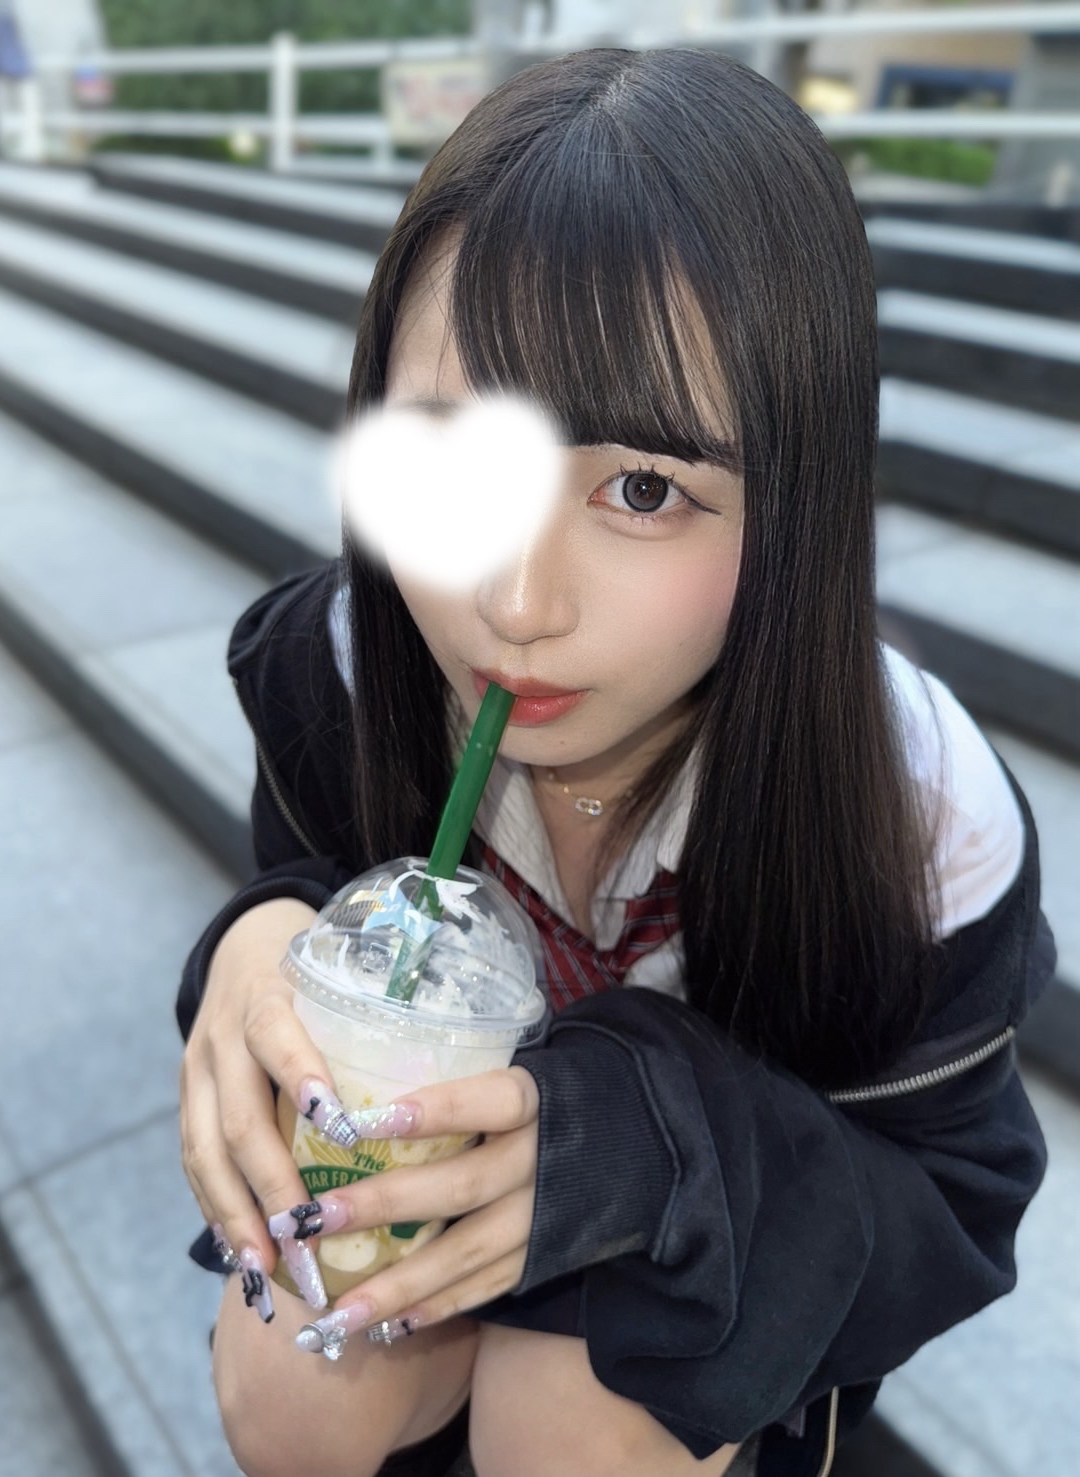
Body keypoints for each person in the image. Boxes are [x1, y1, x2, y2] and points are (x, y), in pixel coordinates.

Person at [176, 47, 1052, 1477]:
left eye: (644, 487)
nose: (515, 602)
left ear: (800, 501)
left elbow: (945, 1205)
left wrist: (649, 1140)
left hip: (718, 1273)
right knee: (293, 1399)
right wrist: (256, 942)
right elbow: (306, 869)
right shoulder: (338, 668)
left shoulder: (916, 817)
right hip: (408, 1239)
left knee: (575, 1432)